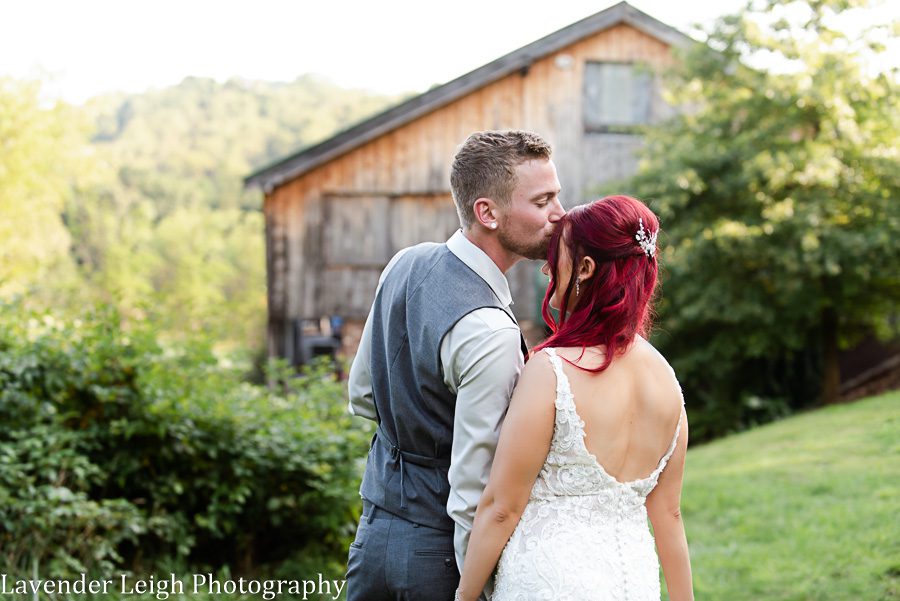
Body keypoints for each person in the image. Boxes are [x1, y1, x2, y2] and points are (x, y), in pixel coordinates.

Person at [345, 130, 566, 601]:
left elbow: (362, 394)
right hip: (438, 557)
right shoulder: (492, 331)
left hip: (371, 538)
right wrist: (478, 591)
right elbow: (474, 492)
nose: (559, 215)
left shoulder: (404, 264)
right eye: (543, 200)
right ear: (488, 212)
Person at [456, 195, 694, 601]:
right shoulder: (666, 379)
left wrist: (464, 596)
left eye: (556, 256)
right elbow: (669, 515)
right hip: (633, 584)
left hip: (551, 582)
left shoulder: (551, 370)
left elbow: (501, 508)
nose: (548, 267)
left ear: (585, 268)